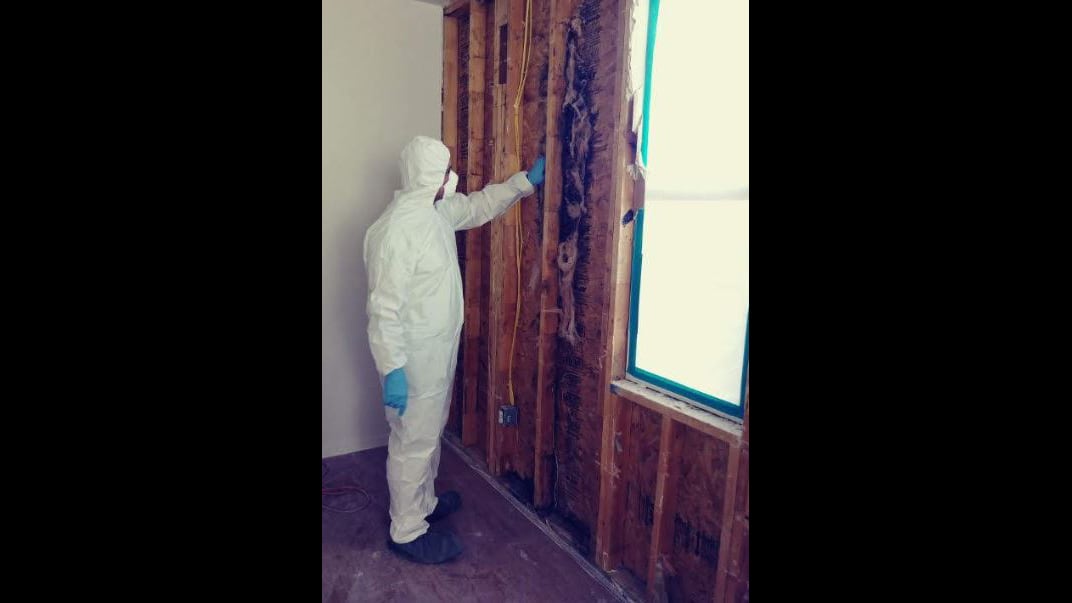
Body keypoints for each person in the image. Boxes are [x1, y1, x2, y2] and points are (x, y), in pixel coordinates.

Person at [364, 135, 545, 564]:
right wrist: (393, 368)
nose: (452, 179)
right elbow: (382, 310)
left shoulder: (436, 213)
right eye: (446, 172)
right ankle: (406, 531)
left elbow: (480, 205)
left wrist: (525, 183)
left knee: (428, 437)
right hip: (412, 363)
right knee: (412, 443)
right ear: (431, 177)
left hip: (435, 357)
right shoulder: (394, 233)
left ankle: (423, 505)